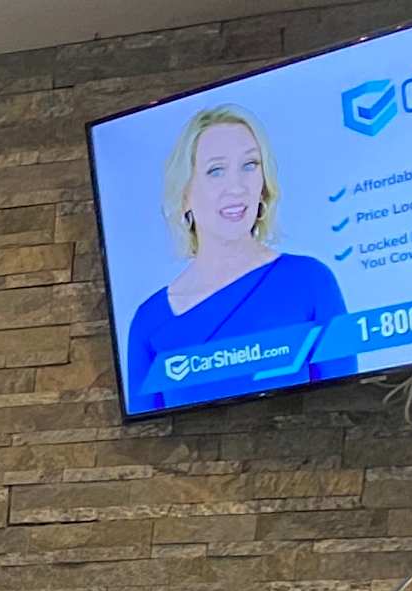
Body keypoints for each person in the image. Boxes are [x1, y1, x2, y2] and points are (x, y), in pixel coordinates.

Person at [122, 105, 353, 415]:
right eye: (216, 170)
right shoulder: (149, 320)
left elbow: (344, 403)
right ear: (185, 193)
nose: (237, 187)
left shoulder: (310, 280)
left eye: (249, 165)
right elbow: (151, 432)